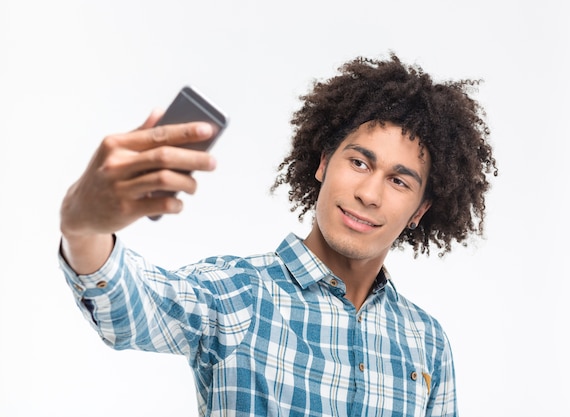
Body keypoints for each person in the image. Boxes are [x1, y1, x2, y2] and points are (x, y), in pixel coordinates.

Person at [59, 53, 497, 417]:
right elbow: (126, 308)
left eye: (399, 181)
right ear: (324, 164)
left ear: (420, 209)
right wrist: (83, 227)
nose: (369, 194)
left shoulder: (427, 343)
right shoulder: (237, 295)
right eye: (359, 163)